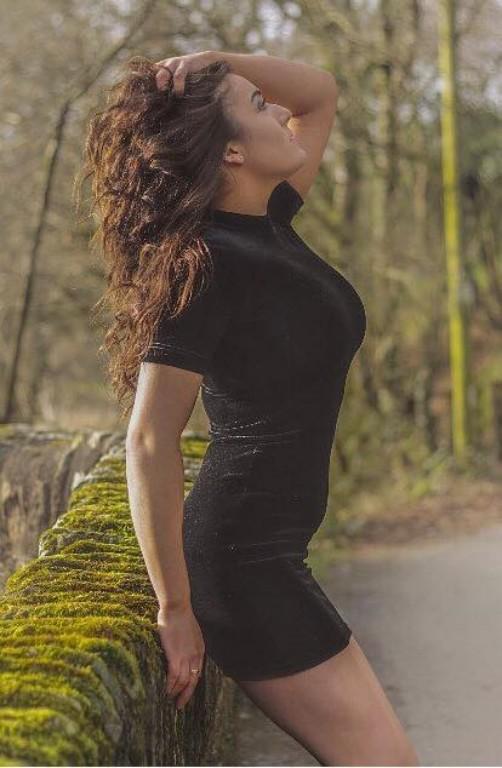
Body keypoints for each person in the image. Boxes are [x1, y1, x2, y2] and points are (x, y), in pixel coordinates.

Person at [82, 50, 419, 766]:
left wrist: (220, 61)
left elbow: (320, 93)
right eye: (258, 106)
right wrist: (175, 608)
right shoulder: (205, 264)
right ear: (232, 151)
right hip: (242, 567)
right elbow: (150, 440)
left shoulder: (269, 222)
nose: (279, 109)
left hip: (274, 557)